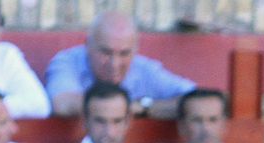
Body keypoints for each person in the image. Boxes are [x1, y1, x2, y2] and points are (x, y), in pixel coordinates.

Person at [45, 10, 195, 121]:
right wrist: (130, 107)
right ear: (87, 46)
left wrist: (145, 107)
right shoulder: (67, 61)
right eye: (106, 52)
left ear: (135, 51)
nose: (114, 63)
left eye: (124, 54)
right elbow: (63, 105)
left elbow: (198, 101)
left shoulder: (143, 68)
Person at [47, 81, 156, 143]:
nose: (109, 132)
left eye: (117, 121)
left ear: (128, 121)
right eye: (100, 121)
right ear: (85, 120)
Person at [153, 89, 255, 143]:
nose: (206, 128)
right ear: (182, 126)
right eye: (197, 120)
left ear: (224, 124)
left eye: (213, 120)